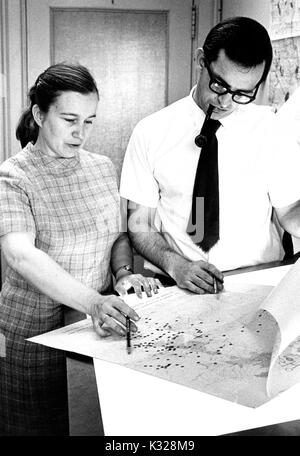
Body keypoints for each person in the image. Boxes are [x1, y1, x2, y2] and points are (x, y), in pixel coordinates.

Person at [0, 63, 159, 436]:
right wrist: (94, 302)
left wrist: (122, 274)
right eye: (69, 119)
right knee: (36, 428)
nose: (80, 132)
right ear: (40, 114)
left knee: (89, 423)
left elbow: (117, 236)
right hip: (34, 334)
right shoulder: (14, 175)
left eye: (89, 121)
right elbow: (21, 254)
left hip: (91, 328)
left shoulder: (102, 167)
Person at [120, 16, 300, 295]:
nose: (225, 102)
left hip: (259, 285)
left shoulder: (272, 130)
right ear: (201, 60)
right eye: (219, 85)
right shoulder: (150, 132)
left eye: (243, 94)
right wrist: (177, 266)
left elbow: (289, 213)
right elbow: (140, 226)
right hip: (178, 286)